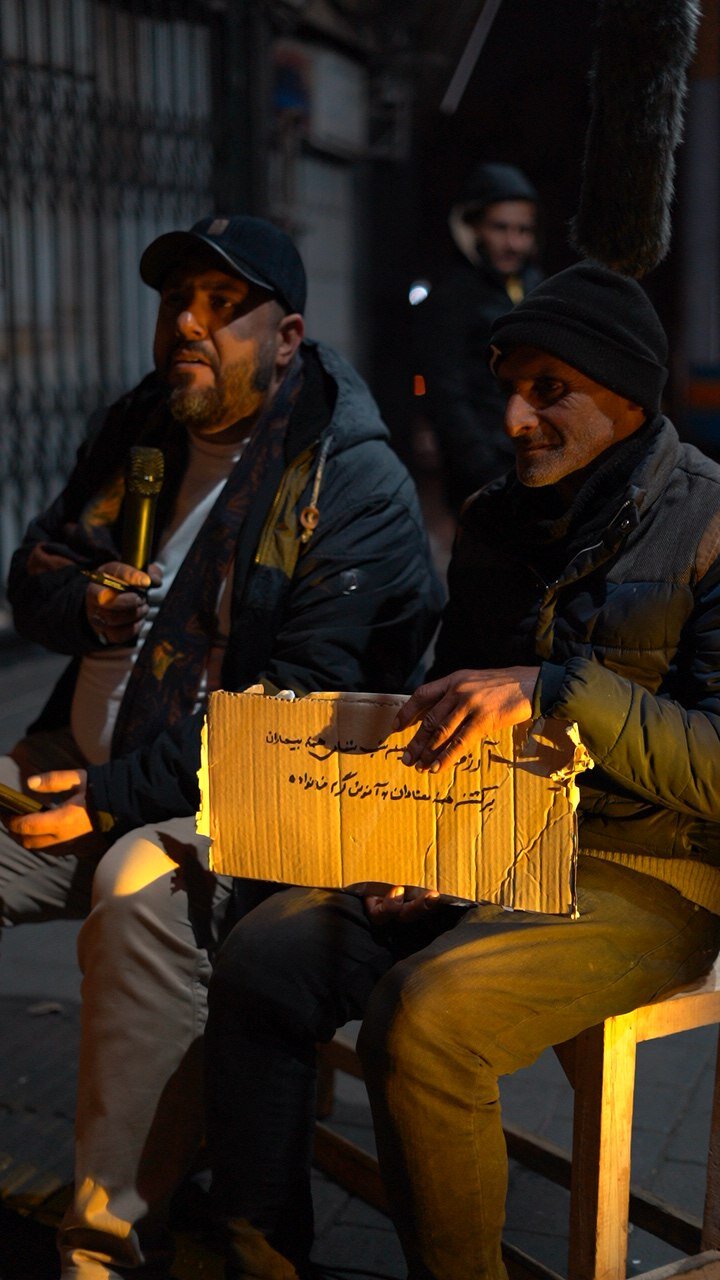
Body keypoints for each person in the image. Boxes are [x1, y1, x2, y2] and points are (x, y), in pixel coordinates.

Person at [205, 261, 720, 1279]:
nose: (518, 416)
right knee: (262, 952)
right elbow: (449, 698)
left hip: (652, 868)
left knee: (429, 1018)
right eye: (507, 389)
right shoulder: (496, 518)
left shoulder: (707, 523)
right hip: (489, 836)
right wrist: (418, 840)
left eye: (550, 388)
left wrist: (558, 687)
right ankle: (254, 1258)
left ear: (627, 393)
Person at [0, 214, 441, 1280]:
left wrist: (113, 795)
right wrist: (89, 602)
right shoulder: (145, 424)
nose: (187, 324)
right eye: (175, 300)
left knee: (138, 882)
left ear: (286, 336)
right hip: (92, 758)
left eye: (220, 305)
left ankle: (106, 1244)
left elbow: (288, 715)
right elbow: (37, 567)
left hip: (263, 795)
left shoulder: (348, 476)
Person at [417, 161, 542, 511]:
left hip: (533, 460)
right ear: (473, 228)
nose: (513, 242)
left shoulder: (535, 287)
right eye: (500, 228)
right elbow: (446, 392)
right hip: (485, 475)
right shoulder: (454, 294)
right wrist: (483, 466)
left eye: (523, 230)